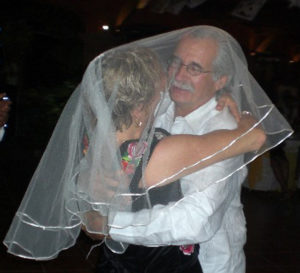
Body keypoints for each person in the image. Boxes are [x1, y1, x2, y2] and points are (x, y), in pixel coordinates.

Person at [3, 44, 266, 266]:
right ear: (141, 107)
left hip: (115, 262)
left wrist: (219, 91)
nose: (174, 82)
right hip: (162, 264)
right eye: (162, 89)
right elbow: (252, 138)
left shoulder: (92, 144)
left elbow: (90, 220)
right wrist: (243, 117)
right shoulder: (162, 150)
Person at [102, 26, 293, 273]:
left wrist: (110, 224)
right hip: (138, 255)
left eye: (194, 68)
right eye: (175, 63)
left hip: (203, 262)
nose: (179, 75)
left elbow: (195, 221)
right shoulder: (157, 103)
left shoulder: (225, 131)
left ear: (221, 80)